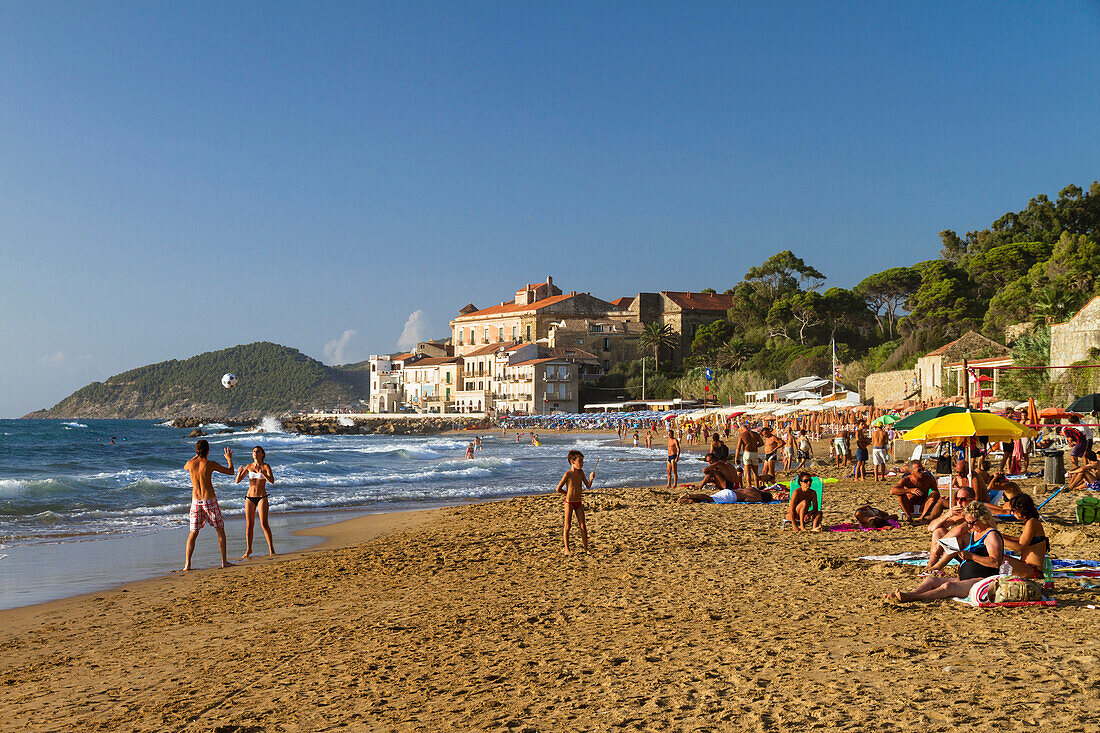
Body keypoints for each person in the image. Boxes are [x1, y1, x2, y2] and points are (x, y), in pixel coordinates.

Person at [885, 502, 1004, 603]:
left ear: (982, 519)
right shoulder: (975, 532)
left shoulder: (991, 535)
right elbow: (942, 532)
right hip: (966, 578)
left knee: (948, 587)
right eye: (967, 522)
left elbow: (995, 562)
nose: (969, 525)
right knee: (930, 580)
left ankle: (914, 597)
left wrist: (971, 556)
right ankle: (910, 593)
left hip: (983, 581)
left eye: (971, 523)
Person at [183, 439, 234, 571]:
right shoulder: (210, 464)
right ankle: (224, 561)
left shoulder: (190, 464)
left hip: (195, 502)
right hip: (209, 500)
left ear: (196, 451)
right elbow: (231, 471)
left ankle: (187, 565)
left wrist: (196, 455)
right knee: (220, 530)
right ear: (208, 451)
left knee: (193, 533)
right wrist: (229, 459)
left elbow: (185, 466)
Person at [234, 446, 276, 559]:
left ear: (262, 454)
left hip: (262, 497)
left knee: (264, 524)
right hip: (249, 497)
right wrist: (239, 473)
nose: (255, 453)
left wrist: (264, 473)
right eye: (253, 451)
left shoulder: (266, 466)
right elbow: (237, 481)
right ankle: (248, 550)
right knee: (249, 525)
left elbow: (272, 481)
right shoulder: (249, 466)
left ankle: (271, 549)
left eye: (257, 451)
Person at [1000, 493, 1049, 579]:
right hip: (1029, 567)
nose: (1013, 514)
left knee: (998, 559)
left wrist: (1000, 539)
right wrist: (1001, 536)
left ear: (1022, 509)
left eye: (1014, 511)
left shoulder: (1032, 522)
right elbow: (1022, 540)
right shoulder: (1032, 522)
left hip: (1034, 570)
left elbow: (1020, 547)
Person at [555, 449, 594, 555]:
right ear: (573, 462)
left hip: (578, 503)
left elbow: (588, 486)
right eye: (580, 461)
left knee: (583, 526)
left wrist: (591, 479)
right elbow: (558, 489)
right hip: (569, 503)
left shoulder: (581, 473)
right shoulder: (568, 474)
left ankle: (586, 548)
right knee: (567, 526)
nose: (582, 464)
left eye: (582, 462)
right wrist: (566, 494)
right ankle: (567, 549)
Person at [735, 421, 763, 488]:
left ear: (741, 429)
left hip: (747, 453)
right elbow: (762, 443)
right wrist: (755, 446)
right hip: (755, 453)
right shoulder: (755, 434)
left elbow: (738, 448)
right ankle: (757, 487)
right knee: (755, 472)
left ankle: (749, 487)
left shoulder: (741, 435)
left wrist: (736, 458)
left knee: (747, 472)